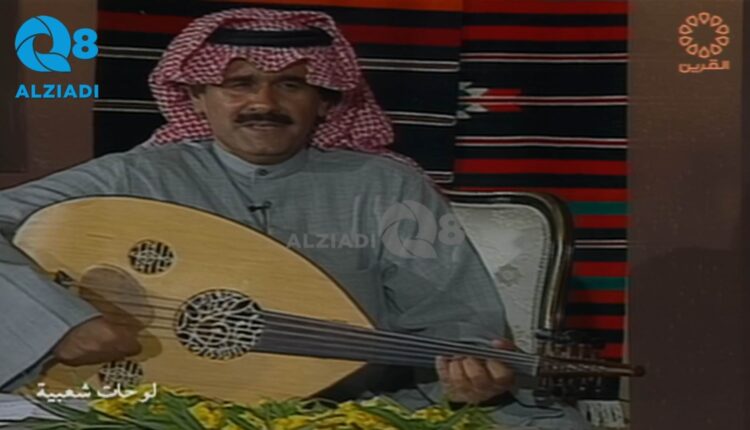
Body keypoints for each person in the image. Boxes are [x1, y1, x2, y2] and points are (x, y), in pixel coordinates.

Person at [0, 8, 589, 429]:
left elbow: (452, 319)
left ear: (326, 101)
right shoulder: (134, 177)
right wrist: (61, 321)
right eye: (239, 84)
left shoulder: (385, 186)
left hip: (345, 409)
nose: (264, 102)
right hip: (160, 404)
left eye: (291, 85)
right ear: (197, 96)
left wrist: (470, 376)